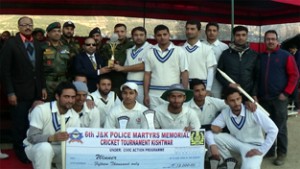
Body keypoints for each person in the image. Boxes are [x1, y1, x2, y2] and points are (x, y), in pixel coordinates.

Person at [1, 16, 46, 163]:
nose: (27, 27)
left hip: (35, 92)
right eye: (24, 25)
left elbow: (40, 70)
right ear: (19, 26)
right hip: (18, 93)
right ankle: (20, 151)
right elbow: (5, 71)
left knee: (33, 123)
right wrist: (10, 92)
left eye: (30, 25)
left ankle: (31, 149)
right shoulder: (11, 44)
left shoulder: (38, 44)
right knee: (20, 123)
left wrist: (43, 87)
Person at [258, 30, 299, 166]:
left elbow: (294, 76)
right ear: (265, 40)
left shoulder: (285, 56)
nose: (270, 41)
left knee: (280, 127)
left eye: (273, 39)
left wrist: (286, 93)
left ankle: (282, 153)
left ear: (277, 40)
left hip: (279, 99)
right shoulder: (261, 56)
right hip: (264, 98)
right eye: (268, 39)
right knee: (268, 127)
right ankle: (269, 151)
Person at [211, 88, 278, 169]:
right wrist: (213, 139)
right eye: (232, 100)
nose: (236, 103)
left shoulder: (252, 110)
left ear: (241, 98)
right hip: (238, 143)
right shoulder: (225, 112)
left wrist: (261, 150)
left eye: (238, 99)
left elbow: (273, 130)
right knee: (214, 136)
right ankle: (229, 160)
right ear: (226, 102)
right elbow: (213, 127)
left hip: (254, 146)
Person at [24, 82, 80, 169]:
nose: (70, 100)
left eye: (73, 97)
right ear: (57, 96)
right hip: (35, 147)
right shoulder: (41, 110)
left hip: (59, 148)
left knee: (76, 151)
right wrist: (51, 138)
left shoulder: (75, 117)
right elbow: (31, 137)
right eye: (66, 97)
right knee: (45, 148)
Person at [144, 24, 189, 109]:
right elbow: (147, 74)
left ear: (169, 35)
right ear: (155, 37)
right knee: (154, 120)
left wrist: (184, 93)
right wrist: (146, 94)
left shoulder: (179, 51)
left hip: (173, 94)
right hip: (154, 94)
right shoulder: (149, 52)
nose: (162, 37)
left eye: (165, 34)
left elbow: (184, 72)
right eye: (159, 35)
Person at [216, 26, 259, 104]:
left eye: (243, 35)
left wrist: (254, 93)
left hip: (247, 95)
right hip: (229, 95)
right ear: (234, 36)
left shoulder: (254, 55)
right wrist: (229, 84)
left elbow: (257, 77)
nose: (240, 37)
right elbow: (218, 74)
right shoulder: (226, 54)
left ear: (247, 36)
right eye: (238, 35)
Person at [113, 26, 153, 103]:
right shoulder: (129, 50)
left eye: (141, 35)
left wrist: (122, 68)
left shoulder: (151, 48)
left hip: (142, 86)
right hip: (128, 86)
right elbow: (125, 70)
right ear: (132, 36)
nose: (138, 37)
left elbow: (144, 66)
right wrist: (116, 65)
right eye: (136, 35)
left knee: (142, 111)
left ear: (146, 36)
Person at [102, 23, 134, 98]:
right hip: (112, 79)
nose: (119, 34)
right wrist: (110, 64)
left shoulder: (131, 45)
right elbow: (102, 60)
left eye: (122, 31)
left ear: (126, 32)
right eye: (117, 32)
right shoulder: (108, 45)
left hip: (127, 79)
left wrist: (121, 64)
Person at [183, 20, 216, 94]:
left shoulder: (207, 49)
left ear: (199, 31)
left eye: (192, 29)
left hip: (201, 88)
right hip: (184, 88)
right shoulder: (179, 49)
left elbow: (210, 70)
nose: (189, 31)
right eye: (187, 29)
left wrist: (208, 89)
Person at [43, 22, 71, 100]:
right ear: (48, 34)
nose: (57, 33)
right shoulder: (42, 47)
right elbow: (38, 68)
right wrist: (42, 87)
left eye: (59, 31)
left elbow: (69, 65)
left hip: (62, 82)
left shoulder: (65, 48)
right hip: (48, 83)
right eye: (54, 31)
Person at [204, 22, 228, 98]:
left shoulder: (224, 47)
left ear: (218, 32)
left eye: (214, 30)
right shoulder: (200, 45)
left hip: (218, 83)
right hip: (202, 81)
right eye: (209, 30)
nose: (211, 33)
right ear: (205, 32)